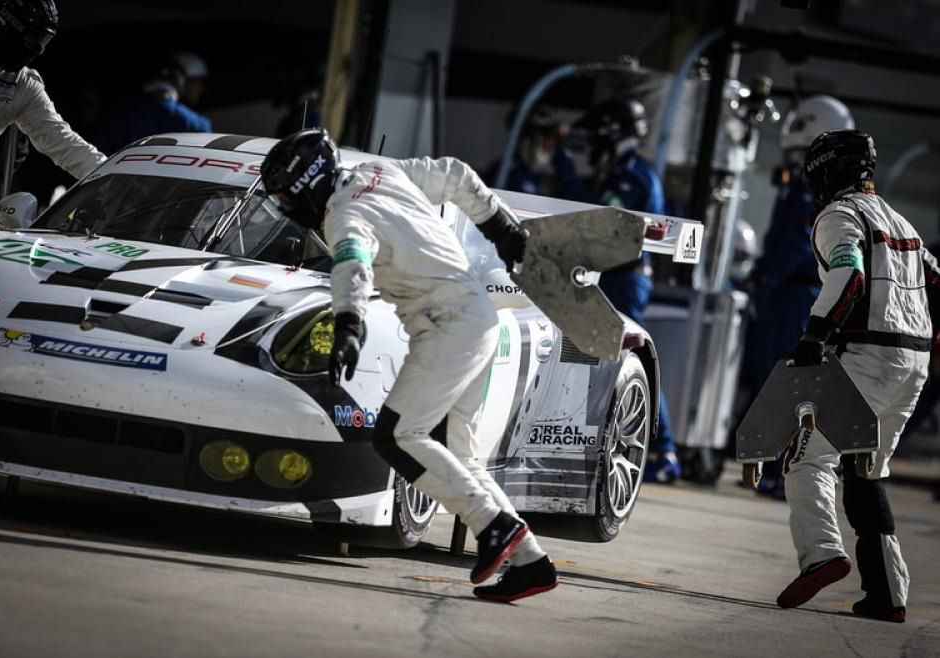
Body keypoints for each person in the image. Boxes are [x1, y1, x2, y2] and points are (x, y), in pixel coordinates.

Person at [261, 128, 558, 603]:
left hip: (446, 326)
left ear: (303, 190)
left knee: (397, 435)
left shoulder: (344, 215)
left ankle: (497, 527)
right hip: (479, 317)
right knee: (457, 456)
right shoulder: (381, 171)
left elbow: (352, 264)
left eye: (284, 199)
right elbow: (456, 175)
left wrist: (348, 325)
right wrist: (502, 229)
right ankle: (532, 564)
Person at [776, 129, 939, 623]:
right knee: (868, 473)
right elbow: (935, 279)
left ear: (826, 172)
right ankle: (887, 594)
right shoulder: (903, 224)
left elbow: (849, 273)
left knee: (805, 459)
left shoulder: (838, 215)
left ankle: (823, 553)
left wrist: (813, 337)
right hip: (915, 364)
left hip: (866, 356)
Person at [745, 95, 855, 500]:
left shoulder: (816, 191)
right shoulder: (806, 185)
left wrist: (767, 276)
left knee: (794, 384)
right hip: (786, 292)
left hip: (799, 294)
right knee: (778, 380)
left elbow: (796, 243)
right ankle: (779, 468)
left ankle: (790, 471)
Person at [579, 97, 680, 483]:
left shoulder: (634, 175)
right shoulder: (620, 170)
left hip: (626, 277)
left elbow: (618, 226)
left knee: (629, 358)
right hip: (615, 275)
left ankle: (663, 449)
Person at [0, 0, 105, 231]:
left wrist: (112, 175)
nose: (37, 48)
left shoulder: (24, 87)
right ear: (5, 22)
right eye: (33, 37)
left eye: (43, 40)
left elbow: (64, 143)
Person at [93, 56, 211, 155]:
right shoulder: (195, 124)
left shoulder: (118, 114)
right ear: (180, 78)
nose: (201, 89)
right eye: (197, 81)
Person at [495, 107, 589, 201]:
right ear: (527, 137)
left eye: (554, 139)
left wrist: (568, 177)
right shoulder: (507, 173)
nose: (549, 144)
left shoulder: (538, 177)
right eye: (544, 136)